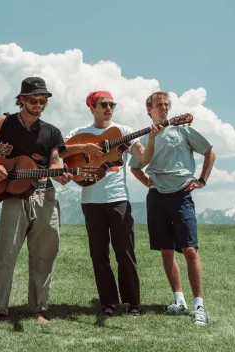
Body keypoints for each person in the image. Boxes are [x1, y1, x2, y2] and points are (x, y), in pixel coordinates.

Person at [0, 77, 73, 327]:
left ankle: (37, 308)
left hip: (45, 194)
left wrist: (60, 173)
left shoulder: (52, 132)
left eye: (43, 101)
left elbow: (55, 160)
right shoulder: (4, 122)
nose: (39, 104)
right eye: (34, 100)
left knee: (44, 255)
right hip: (13, 196)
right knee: (5, 254)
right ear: (22, 99)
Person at [61, 91, 161, 317]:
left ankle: (133, 303)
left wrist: (152, 138)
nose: (109, 108)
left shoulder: (124, 131)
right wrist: (84, 148)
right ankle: (108, 303)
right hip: (90, 201)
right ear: (92, 108)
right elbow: (60, 149)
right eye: (103, 104)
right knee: (99, 254)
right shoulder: (80, 133)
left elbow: (143, 159)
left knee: (125, 252)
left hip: (118, 200)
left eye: (111, 104)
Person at [129, 91, 215, 326]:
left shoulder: (182, 129)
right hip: (157, 197)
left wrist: (201, 180)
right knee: (166, 250)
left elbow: (209, 151)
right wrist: (146, 181)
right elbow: (134, 166)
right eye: (159, 105)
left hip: (181, 195)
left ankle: (199, 305)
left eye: (167, 104)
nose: (164, 107)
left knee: (189, 249)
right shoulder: (144, 137)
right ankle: (179, 300)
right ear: (149, 109)